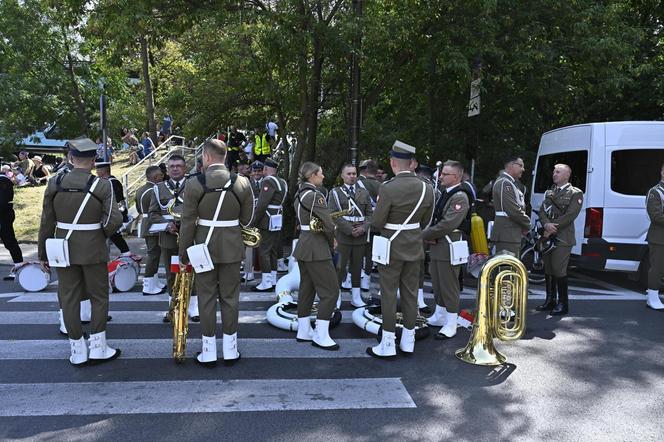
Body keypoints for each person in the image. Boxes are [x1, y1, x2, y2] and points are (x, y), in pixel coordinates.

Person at [37, 137, 123, 366]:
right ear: (94, 160)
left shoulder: (55, 182)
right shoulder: (102, 185)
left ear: (70, 158)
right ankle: (98, 347)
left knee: (69, 298)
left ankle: (77, 350)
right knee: (98, 297)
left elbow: (47, 221)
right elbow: (115, 219)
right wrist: (99, 234)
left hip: (61, 247)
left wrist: (43, 253)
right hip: (93, 248)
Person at [179, 139, 254, 365]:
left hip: (203, 248)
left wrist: (184, 253)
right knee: (231, 298)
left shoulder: (194, 183)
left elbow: (188, 222)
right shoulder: (242, 182)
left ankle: (208, 351)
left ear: (207, 157)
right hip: (232, 247)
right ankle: (230, 349)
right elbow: (248, 219)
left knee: (206, 298)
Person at [368, 141, 434, 359]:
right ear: (412, 164)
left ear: (393, 162)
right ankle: (408, 340)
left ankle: (388, 342)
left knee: (388, 294)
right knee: (411, 293)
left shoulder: (387, 187)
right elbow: (426, 221)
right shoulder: (427, 187)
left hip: (391, 246)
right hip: (414, 245)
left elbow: (377, 222)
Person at [293, 162, 339, 350]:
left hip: (304, 244)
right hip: (316, 247)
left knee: (307, 289)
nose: (323, 176)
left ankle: (304, 330)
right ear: (312, 175)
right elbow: (328, 225)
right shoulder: (315, 196)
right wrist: (332, 242)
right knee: (330, 292)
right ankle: (321, 335)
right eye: (320, 173)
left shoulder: (299, 194)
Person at [423, 161, 471, 338]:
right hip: (438, 245)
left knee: (449, 285)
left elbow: (448, 223)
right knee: (437, 282)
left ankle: (451, 323)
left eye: (445, 174)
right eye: (441, 173)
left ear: (456, 177)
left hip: (448, 244)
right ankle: (440, 314)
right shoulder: (446, 193)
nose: (440, 176)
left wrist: (424, 234)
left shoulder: (459, 196)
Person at [149, 154, 199, 322]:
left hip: (191, 236)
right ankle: (173, 308)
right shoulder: (158, 188)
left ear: (185, 168)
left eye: (179, 165)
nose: (175, 168)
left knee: (192, 271)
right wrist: (166, 225)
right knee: (172, 274)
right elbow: (153, 214)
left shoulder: (195, 185)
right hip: (169, 237)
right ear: (167, 170)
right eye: (172, 166)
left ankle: (193, 308)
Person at [535, 164, 583, 316]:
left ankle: (563, 303)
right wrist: (546, 224)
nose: (554, 174)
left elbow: (570, 215)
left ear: (567, 175)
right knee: (548, 268)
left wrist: (551, 227)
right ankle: (550, 300)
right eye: (554, 171)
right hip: (548, 236)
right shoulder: (549, 192)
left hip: (563, 237)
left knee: (558, 268)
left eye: (558, 172)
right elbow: (542, 210)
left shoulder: (575, 193)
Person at [330, 164, 372, 308]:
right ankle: (336, 296)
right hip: (344, 234)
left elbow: (370, 214)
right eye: (349, 174)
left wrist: (363, 228)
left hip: (360, 235)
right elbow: (333, 214)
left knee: (357, 267)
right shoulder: (335, 192)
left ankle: (356, 296)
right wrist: (349, 229)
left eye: (354, 174)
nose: (352, 176)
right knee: (340, 268)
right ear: (342, 176)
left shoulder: (364, 193)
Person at [252, 158, 287, 291]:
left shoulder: (268, 181)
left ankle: (266, 282)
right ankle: (272, 279)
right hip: (277, 217)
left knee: (264, 250)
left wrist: (255, 221)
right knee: (272, 250)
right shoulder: (281, 181)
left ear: (266, 169)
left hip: (267, 219)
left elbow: (261, 205)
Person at [490, 155, 531, 257]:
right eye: (520, 165)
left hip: (510, 234)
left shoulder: (510, 183)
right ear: (511, 166)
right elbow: (513, 210)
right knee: (507, 269)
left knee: (510, 268)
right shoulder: (505, 183)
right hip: (507, 234)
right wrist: (527, 224)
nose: (523, 169)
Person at [136, 166, 166, 295]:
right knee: (153, 255)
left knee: (155, 253)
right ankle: (148, 285)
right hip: (152, 224)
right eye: (160, 175)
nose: (162, 176)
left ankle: (154, 281)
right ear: (155, 177)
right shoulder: (154, 190)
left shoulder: (141, 189)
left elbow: (138, 208)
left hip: (146, 222)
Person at [95, 162, 135, 258]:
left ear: (103, 170)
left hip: (114, 213)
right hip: (112, 212)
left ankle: (126, 252)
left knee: (113, 233)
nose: (96, 172)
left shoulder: (111, 182)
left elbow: (115, 200)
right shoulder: (107, 182)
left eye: (98, 170)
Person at [357, 159, 380, 291]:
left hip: (360, 222)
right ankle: (366, 279)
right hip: (376, 223)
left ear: (364, 170)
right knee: (371, 253)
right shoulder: (381, 185)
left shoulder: (358, 184)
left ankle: (352, 277)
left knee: (357, 252)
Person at [644, 163, 664, 310]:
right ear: (662, 172)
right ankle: (652, 297)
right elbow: (656, 216)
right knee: (657, 268)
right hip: (659, 237)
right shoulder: (655, 192)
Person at [1, 166, 24, 280]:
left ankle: (19, 265)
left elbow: (3, 202)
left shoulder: (3, 180)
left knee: (9, 241)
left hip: (3, 216)